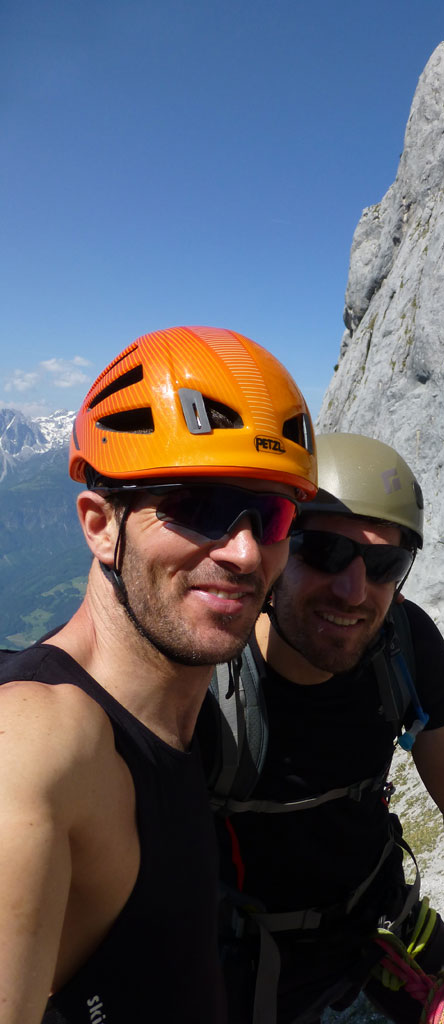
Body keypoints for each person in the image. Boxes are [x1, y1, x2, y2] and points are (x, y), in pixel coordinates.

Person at [0, 326, 317, 1024]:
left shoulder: (189, 703)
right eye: (196, 505)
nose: (241, 551)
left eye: (272, 514)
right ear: (98, 524)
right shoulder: (44, 740)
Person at [207, 432, 444, 1024]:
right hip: (241, 960)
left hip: (375, 928)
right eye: (327, 554)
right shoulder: (209, 681)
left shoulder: (406, 646)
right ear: (278, 546)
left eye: (385, 564)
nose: (353, 591)